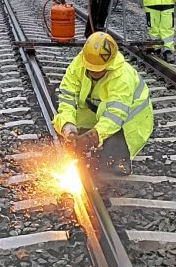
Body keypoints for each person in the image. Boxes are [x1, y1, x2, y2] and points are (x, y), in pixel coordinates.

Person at [53, 31, 153, 175]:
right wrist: (68, 127)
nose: (93, 72)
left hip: (130, 122)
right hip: (99, 111)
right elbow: (67, 99)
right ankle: (91, 141)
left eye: (98, 70)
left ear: (109, 64)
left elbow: (115, 115)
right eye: (91, 68)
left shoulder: (122, 76)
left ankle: (120, 159)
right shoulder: (79, 64)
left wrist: (92, 137)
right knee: (75, 135)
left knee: (110, 160)